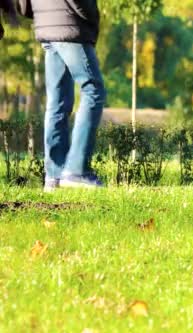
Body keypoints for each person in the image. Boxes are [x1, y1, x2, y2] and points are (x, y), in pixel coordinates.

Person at [16, 0, 105, 190]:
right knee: (93, 90)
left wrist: (43, 13)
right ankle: (76, 169)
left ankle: (54, 176)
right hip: (70, 23)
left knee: (57, 101)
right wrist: (92, 17)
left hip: (47, 26)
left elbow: (23, 5)